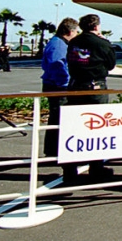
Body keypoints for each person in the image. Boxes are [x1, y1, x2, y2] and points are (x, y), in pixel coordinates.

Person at [66, 14, 116, 183]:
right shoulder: (102, 43)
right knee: (97, 127)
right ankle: (96, 168)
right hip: (95, 88)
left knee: (73, 127)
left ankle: (69, 169)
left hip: (75, 86)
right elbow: (111, 64)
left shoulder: (74, 42)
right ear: (96, 27)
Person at [41, 17, 79, 159]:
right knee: (58, 118)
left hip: (56, 85)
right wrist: (65, 84)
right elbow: (57, 66)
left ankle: (54, 150)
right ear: (70, 31)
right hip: (57, 86)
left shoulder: (59, 43)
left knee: (58, 117)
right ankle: (52, 151)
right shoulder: (58, 45)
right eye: (76, 32)